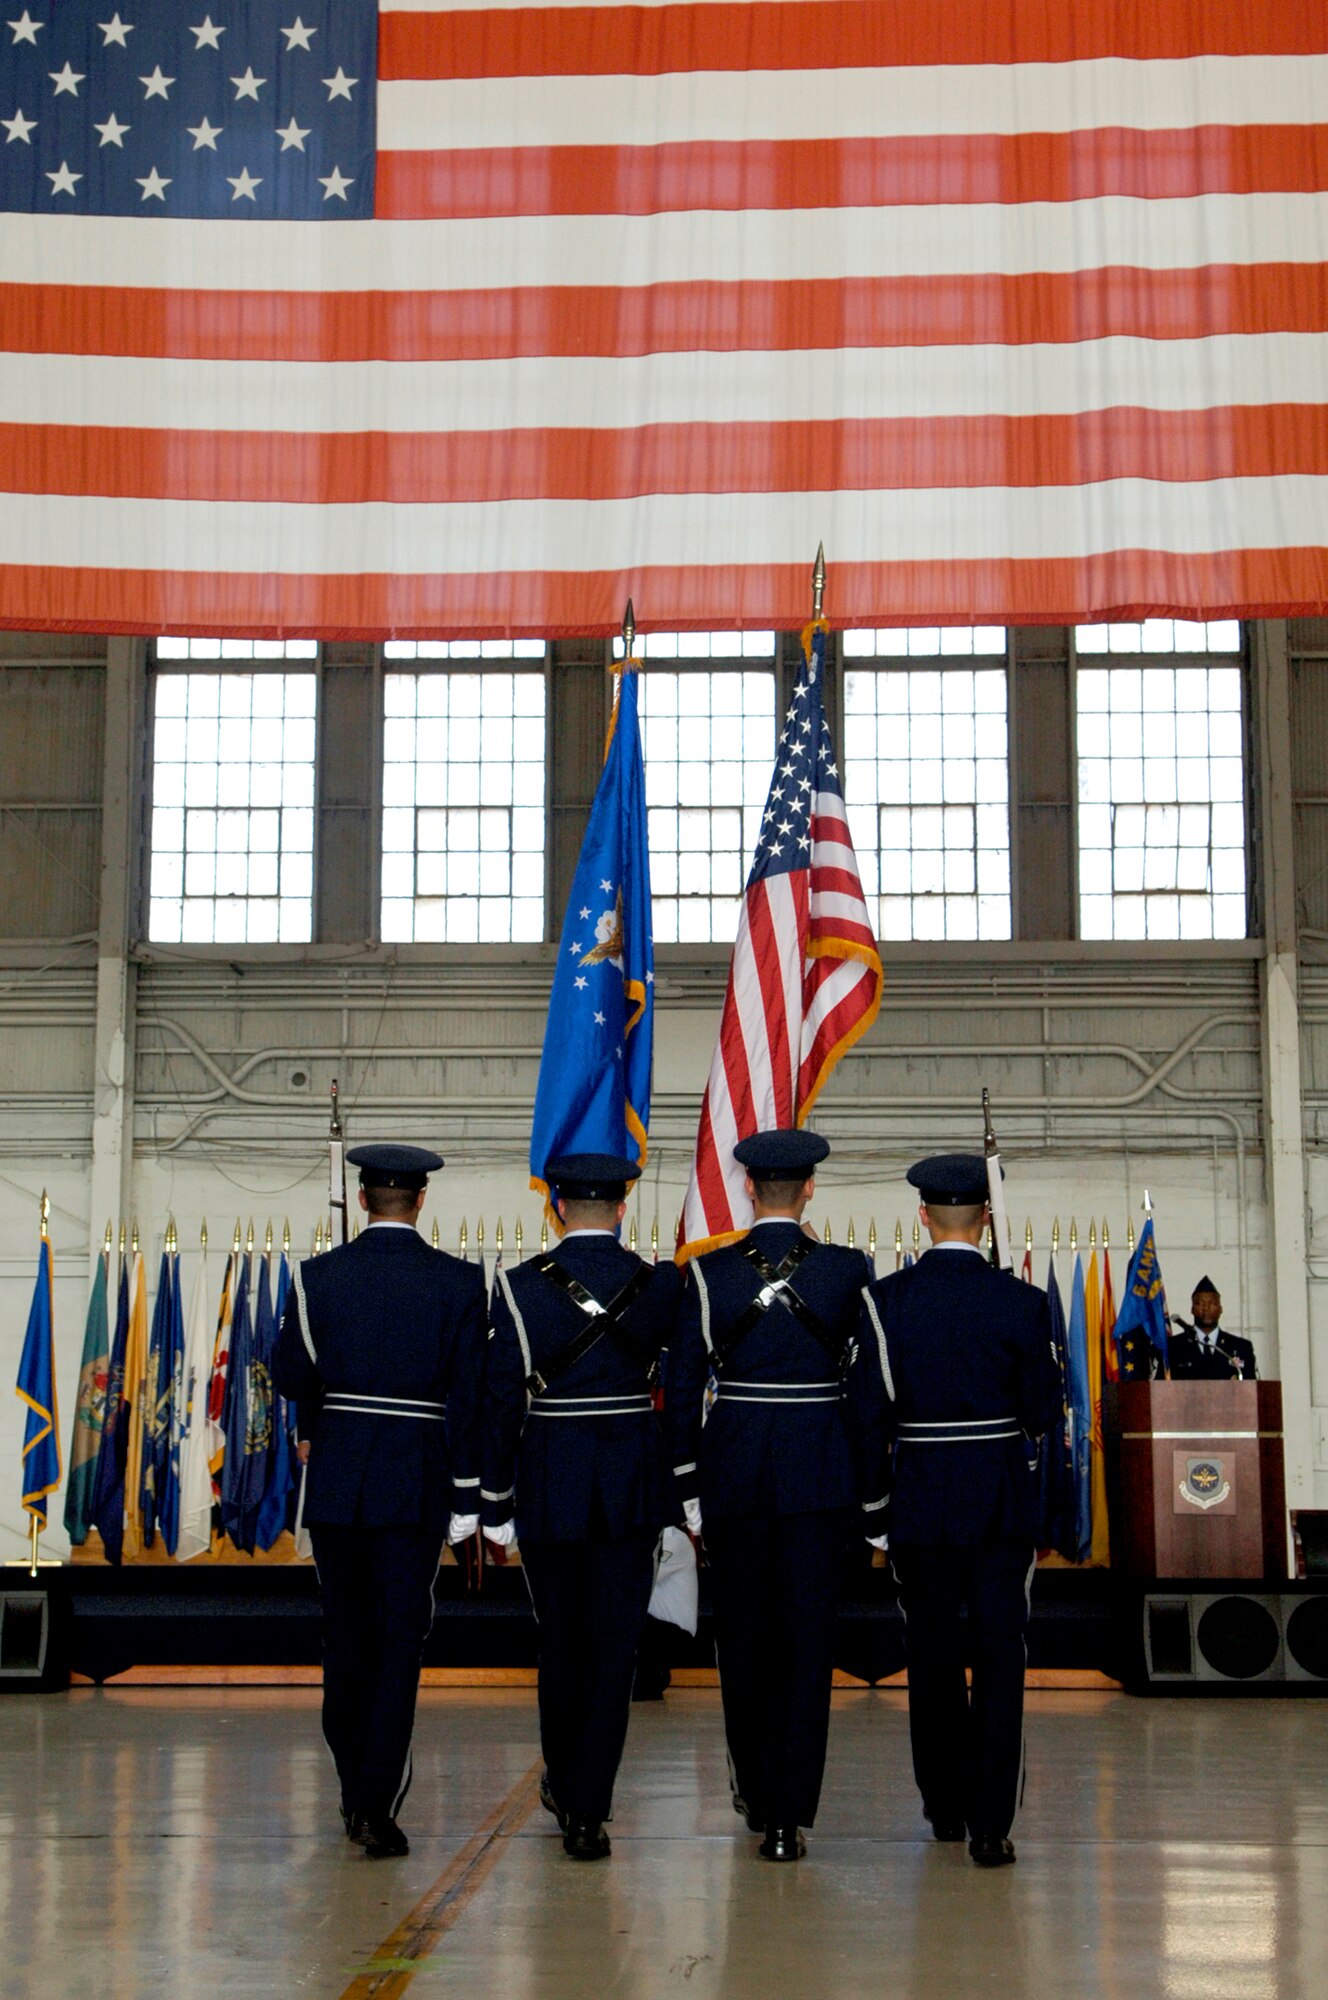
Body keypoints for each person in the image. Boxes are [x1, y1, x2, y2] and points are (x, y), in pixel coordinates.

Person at [272, 1142, 486, 1860]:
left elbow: (291, 1373)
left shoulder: (317, 1277)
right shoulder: (459, 1284)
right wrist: (466, 1491)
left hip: (338, 1480)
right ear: (420, 1201)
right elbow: (468, 1396)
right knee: (399, 1643)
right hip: (416, 1481)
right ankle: (374, 1800)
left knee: (346, 1639)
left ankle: (352, 1787)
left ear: (363, 1200)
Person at [665, 1128, 873, 1864]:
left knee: (746, 1642)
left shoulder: (707, 1275)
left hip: (736, 1473)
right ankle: (791, 1817)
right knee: (809, 1647)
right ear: (809, 1188)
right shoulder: (849, 1271)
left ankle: (758, 1795)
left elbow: (684, 1389)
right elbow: (867, 1390)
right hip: (821, 1474)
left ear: (750, 1188)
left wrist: (688, 1490)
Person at [851, 1153, 1063, 1868]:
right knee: (1002, 1658)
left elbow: (869, 1414)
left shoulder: (887, 1302)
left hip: (921, 1501)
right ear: (985, 1221)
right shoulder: (1024, 1303)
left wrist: (877, 1510)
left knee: (933, 1657)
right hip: (1000, 1501)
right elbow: (1039, 1412)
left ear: (923, 1217)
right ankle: (991, 1824)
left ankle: (943, 1805)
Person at [480, 1152, 680, 1861]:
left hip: (551, 1477)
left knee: (561, 1641)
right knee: (614, 1649)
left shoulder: (517, 1287)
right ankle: (589, 1808)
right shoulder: (661, 1287)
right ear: (621, 1207)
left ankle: (567, 1785)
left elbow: (501, 1401)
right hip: (630, 1480)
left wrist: (493, 1499)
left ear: (558, 1207)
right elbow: (679, 1389)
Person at [1169, 1278, 1258, 1379]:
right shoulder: (1173, 1347)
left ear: (1220, 1309)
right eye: (1200, 1303)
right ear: (1192, 1309)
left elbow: (1253, 1387)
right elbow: (1159, 1388)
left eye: (1212, 1303)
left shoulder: (1241, 1347)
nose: (1206, 1308)